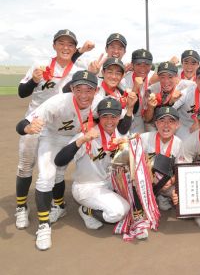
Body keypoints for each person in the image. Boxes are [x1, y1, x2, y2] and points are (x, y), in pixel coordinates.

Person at [15, 70, 136, 250]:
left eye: (89, 90)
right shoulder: (57, 102)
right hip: (53, 138)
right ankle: (43, 226)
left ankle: (60, 206)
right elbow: (21, 124)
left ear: (96, 91)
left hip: (79, 136)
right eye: (79, 89)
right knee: (47, 175)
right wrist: (29, 128)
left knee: (60, 174)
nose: (84, 95)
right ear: (71, 88)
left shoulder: (97, 102)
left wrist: (130, 109)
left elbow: (120, 125)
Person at [14, 29, 88, 230]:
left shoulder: (77, 69)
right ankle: (21, 207)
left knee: (55, 169)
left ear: (74, 49)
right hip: (36, 122)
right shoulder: (41, 66)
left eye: (70, 45)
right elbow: (22, 92)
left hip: (60, 127)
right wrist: (34, 81)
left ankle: (58, 204)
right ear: (54, 45)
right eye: (61, 43)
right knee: (25, 165)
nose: (65, 47)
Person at [53, 97, 149, 239]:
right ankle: (87, 211)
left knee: (141, 185)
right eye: (105, 117)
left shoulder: (120, 133)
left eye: (113, 117)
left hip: (111, 182)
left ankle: (137, 222)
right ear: (99, 117)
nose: (110, 121)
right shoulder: (87, 135)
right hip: (88, 187)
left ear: (118, 117)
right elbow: (59, 161)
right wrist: (82, 140)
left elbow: (129, 153)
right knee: (118, 212)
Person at [139, 106, 182, 211]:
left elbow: (180, 168)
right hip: (146, 182)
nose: (166, 125)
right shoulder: (144, 138)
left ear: (177, 125)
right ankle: (151, 197)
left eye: (171, 121)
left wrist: (171, 181)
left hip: (167, 183)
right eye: (162, 121)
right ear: (156, 124)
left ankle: (162, 196)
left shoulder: (179, 143)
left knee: (180, 194)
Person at [119, 49, 154, 133]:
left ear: (151, 65)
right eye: (138, 64)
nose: (143, 68)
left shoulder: (153, 76)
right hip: (130, 117)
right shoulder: (123, 81)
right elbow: (129, 109)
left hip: (146, 117)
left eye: (146, 64)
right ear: (132, 65)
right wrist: (135, 88)